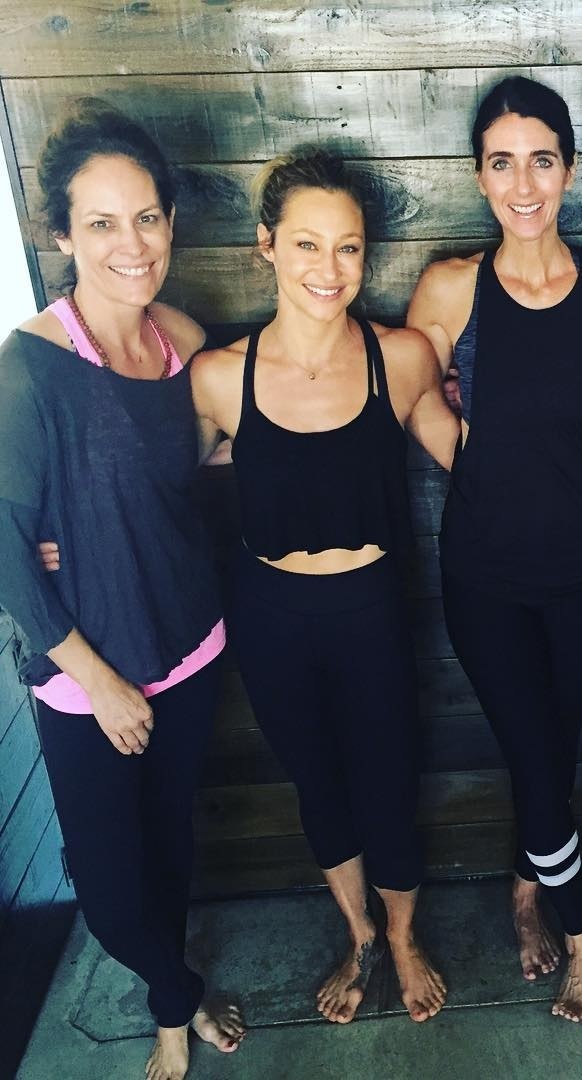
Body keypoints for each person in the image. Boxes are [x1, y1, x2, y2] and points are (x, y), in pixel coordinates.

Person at [0, 102, 244, 1080]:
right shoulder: (30, 366)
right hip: (86, 672)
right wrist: (99, 683)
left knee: (169, 849)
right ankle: (179, 991)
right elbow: (4, 547)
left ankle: (169, 1016)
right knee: (108, 894)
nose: (131, 243)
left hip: (189, 641)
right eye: (100, 223)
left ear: (170, 221)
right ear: (62, 236)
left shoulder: (181, 338)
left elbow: (197, 453)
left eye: (146, 217)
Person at [190, 147, 458, 1026]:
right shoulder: (219, 377)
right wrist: (55, 541)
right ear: (266, 244)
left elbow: (476, 462)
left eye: (348, 248)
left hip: (371, 610)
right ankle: (361, 934)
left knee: (388, 783)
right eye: (307, 244)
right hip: (271, 616)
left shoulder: (401, 358)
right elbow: (149, 487)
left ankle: (404, 937)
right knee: (317, 784)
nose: (329, 268)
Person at [407, 75, 582, 1032]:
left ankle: (522, 885)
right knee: (537, 754)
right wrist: (474, 456)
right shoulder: (452, 286)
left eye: (541, 160)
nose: (524, 184)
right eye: (502, 163)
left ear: (570, 169)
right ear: (479, 176)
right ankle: (581, 939)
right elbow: (410, 390)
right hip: (486, 574)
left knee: (549, 748)